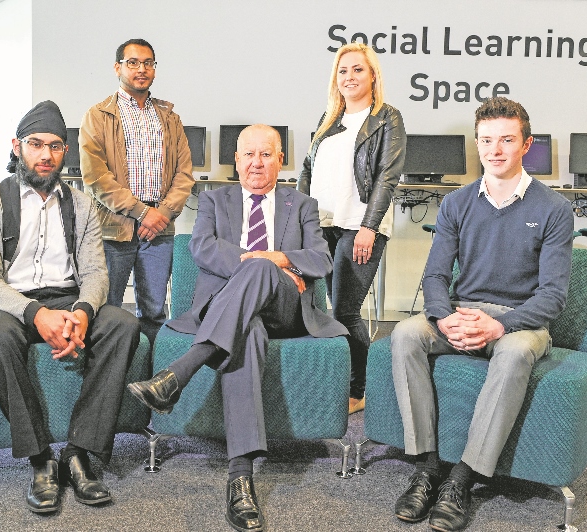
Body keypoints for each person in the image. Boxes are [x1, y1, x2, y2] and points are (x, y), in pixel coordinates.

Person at [127, 124, 347, 532]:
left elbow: (321, 259)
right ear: (237, 160)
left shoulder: (302, 203)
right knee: (247, 333)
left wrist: (273, 259)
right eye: (249, 154)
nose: (257, 163)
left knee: (262, 270)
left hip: (286, 308)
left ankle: (183, 369)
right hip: (232, 310)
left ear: (281, 160)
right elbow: (201, 247)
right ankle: (240, 477)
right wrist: (258, 264)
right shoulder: (213, 199)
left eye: (266, 154)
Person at [389, 97, 574, 531]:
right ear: (477, 143)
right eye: (486, 140)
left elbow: (553, 296)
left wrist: (500, 324)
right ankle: (428, 467)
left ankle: (462, 478)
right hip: (462, 311)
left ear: (525, 144)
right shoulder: (456, 204)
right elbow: (435, 275)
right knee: (405, 334)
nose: (495, 150)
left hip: (520, 322)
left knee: (512, 354)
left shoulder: (553, 209)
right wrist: (443, 316)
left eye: (506, 140)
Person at [0, 101, 141, 514]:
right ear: (17, 146)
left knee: (122, 324)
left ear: (66, 152)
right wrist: (36, 315)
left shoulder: (81, 205)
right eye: (36, 144)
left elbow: (97, 273)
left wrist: (81, 312)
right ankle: (41, 459)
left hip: (65, 295)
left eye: (56, 146)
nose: (46, 155)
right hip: (7, 301)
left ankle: (78, 453)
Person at [297, 42, 406, 414]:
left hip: (359, 227)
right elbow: (307, 172)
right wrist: (298, 220)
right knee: (325, 310)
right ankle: (339, 381)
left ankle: (358, 390)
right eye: (343, 71)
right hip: (323, 224)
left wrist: (368, 227)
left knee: (346, 311)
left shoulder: (387, 118)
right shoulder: (328, 118)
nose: (350, 77)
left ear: (372, 75)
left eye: (358, 69)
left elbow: (387, 178)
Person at [80, 38, 194, 345]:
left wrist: (163, 214)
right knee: (107, 308)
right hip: (113, 229)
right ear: (118, 67)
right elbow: (96, 177)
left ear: (154, 69)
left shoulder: (169, 118)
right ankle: (109, 374)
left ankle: (151, 377)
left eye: (147, 63)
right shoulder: (97, 116)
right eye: (133, 62)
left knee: (155, 309)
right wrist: (143, 213)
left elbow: (184, 174)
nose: (140, 69)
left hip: (160, 228)